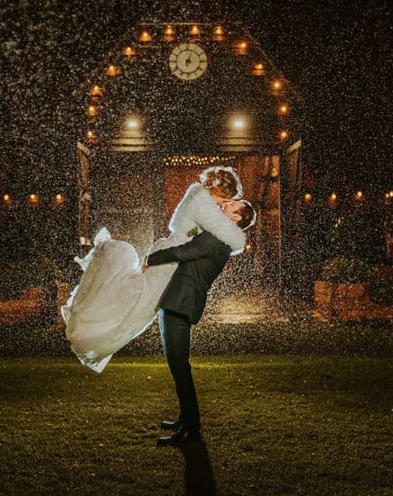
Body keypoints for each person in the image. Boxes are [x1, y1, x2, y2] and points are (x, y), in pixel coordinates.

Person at [60, 167, 247, 372]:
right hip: (170, 259)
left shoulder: (204, 201)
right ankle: (90, 327)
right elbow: (229, 236)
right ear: (218, 192)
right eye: (224, 200)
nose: (223, 205)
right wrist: (240, 237)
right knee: (138, 302)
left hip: (173, 259)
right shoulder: (202, 201)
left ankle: (94, 325)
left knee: (139, 304)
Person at [146, 199, 256, 446]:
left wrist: (151, 258)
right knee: (179, 368)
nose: (226, 203)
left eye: (232, 205)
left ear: (236, 218)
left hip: (180, 303)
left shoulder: (217, 238)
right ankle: (185, 421)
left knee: (180, 369)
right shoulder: (221, 238)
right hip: (180, 301)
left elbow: (183, 252)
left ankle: (190, 431)